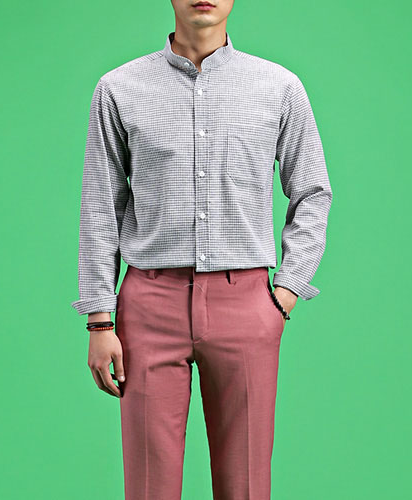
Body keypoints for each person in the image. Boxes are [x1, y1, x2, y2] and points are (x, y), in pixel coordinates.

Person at [71, 1, 332, 498]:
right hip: (149, 305)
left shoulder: (278, 86)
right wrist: (99, 321)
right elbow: (101, 205)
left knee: (245, 484)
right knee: (149, 485)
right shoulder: (119, 88)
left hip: (247, 304)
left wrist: (286, 291)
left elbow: (313, 192)